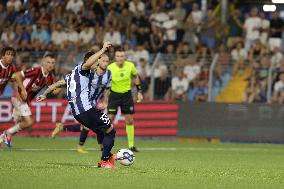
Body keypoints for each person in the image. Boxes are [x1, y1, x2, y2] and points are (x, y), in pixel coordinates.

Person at [37, 42, 116, 168]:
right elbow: (88, 63)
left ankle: (106, 155)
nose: (97, 67)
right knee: (111, 131)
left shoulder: (72, 75)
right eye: (97, 63)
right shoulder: (83, 69)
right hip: (86, 109)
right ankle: (105, 160)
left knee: (101, 131)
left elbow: (57, 84)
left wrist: (45, 94)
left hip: (78, 114)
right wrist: (102, 50)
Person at [0, 52, 56, 148]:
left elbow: (54, 91)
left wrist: (62, 84)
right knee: (29, 122)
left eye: (53, 63)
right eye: (48, 62)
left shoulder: (50, 77)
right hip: (18, 97)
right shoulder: (36, 70)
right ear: (43, 62)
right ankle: (7, 133)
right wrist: (22, 90)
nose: (50, 65)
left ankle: (2, 138)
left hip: (25, 101)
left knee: (19, 125)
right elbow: (17, 75)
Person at [107, 46, 143, 152]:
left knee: (130, 120)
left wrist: (139, 91)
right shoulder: (110, 67)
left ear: (125, 56)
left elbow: (135, 77)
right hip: (114, 95)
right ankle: (106, 143)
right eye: (118, 56)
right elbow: (106, 83)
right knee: (109, 121)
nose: (120, 58)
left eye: (122, 56)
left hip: (126, 95)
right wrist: (105, 97)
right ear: (115, 57)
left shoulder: (130, 66)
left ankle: (131, 145)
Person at [0, 47, 17, 150]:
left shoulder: (12, 68)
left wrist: (19, 92)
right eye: (8, 54)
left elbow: (12, 82)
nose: (10, 57)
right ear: (2, 56)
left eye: (12, 55)